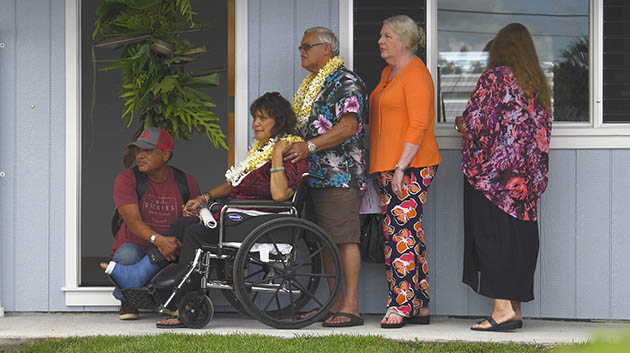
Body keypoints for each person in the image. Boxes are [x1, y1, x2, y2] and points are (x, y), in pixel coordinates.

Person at [143, 92, 310, 328]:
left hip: (256, 222)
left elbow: (280, 195)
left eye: (262, 118)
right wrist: (204, 198)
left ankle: (186, 305)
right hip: (238, 218)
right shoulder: (259, 150)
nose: (256, 123)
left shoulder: (287, 152)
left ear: (279, 121)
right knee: (181, 226)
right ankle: (169, 288)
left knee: (194, 234)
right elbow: (237, 183)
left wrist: (276, 156)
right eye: (254, 117)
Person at [455, 23, 552, 332]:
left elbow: (477, 124)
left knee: (493, 240)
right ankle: (515, 309)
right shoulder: (537, 85)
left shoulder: (495, 79)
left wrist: (460, 123)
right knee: (520, 241)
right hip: (527, 181)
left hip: (494, 179)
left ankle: (500, 310)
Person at [284, 26, 368, 328]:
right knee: (326, 242)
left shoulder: (346, 81)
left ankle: (352, 306)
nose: (302, 51)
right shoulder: (312, 84)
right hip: (314, 176)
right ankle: (332, 306)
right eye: (301, 46)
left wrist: (308, 147)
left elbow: (347, 127)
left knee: (344, 239)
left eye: (307, 46)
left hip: (340, 175)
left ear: (327, 50)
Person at [368, 15, 442, 328]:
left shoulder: (417, 74)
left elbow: (420, 124)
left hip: (410, 165)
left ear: (403, 40)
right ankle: (420, 303)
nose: (380, 42)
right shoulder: (389, 72)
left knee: (400, 234)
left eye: (386, 36)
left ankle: (400, 305)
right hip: (388, 165)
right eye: (381, 36)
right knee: (407, 233)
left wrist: (400, 167)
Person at [111, 127, 201, 320]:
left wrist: (190, 213)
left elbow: (193, 223)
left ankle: (167, 298)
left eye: (148, 151)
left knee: (189, 258)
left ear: (166, 154)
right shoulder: (127, 179)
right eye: (138, 150)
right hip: (139, 249)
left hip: (169, 252)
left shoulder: (186, 182)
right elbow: (133, 221)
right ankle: (128, 300)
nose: (140, 156)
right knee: (128, 254)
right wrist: (158, 240)